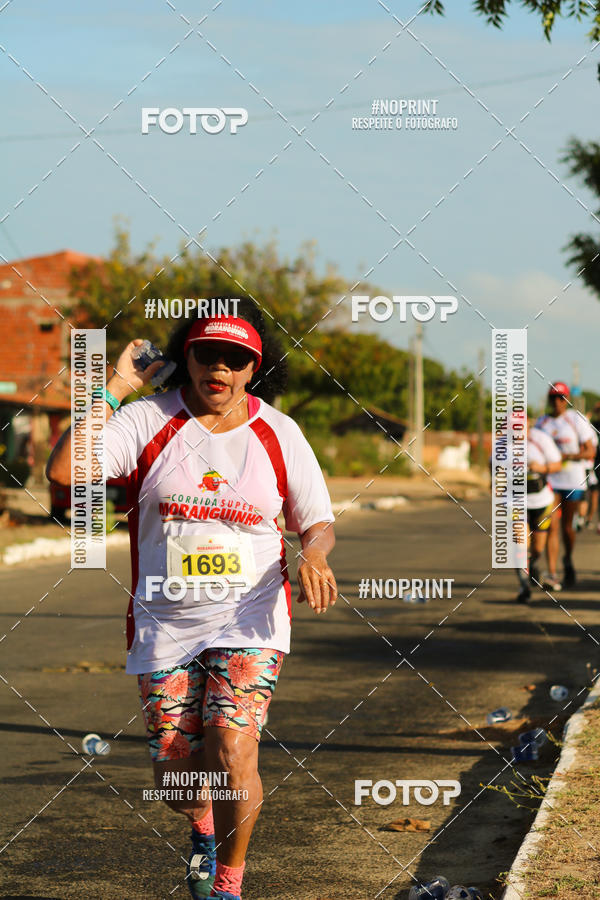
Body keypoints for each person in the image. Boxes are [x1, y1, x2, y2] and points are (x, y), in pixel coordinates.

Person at [46, 298, 338, 900]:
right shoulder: (148, 420)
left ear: (254, 369)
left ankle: (229, 883)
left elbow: (317, 520)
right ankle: (203, 829)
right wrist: (118, 384)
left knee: (232, 747)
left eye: (237, 359)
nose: (221, 369)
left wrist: (314, 554)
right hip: (165, 625)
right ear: (189, 356)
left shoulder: (280, 433)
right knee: (179, 783)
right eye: (209, 354)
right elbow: (64, 471)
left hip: (250, 620)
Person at [535, 382, 595, 590]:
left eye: (561, 398)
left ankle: (568, 559)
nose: (557, 402)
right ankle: (552, 573)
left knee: (567, 528)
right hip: (551, 480)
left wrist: (568, 455)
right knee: (551, 525)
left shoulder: (576, 420)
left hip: (572, 480)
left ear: (567, 400)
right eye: (553, 397)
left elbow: (590, 452)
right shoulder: (542, 423)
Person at [514, 416, 562, 603]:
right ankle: (524, 585)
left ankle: (532, 564)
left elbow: (557, 464)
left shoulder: (541, 440)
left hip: (542, 501)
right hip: (516, 502)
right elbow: (493, 464)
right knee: (519, 544)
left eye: (521, 428)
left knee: (538, 548)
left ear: (528, 427)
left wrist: (541, 467)